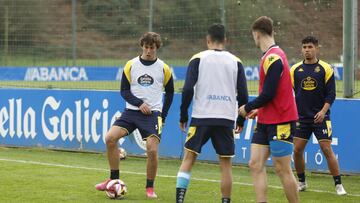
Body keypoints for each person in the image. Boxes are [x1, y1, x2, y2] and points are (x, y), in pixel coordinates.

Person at [95, 32, 174, 199]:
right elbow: (124, 91)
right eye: (146, 47)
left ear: (157, 48)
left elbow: (171, 93)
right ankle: (113, 180)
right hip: (131, 112)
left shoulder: (164, 68)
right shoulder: (130, 65)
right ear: (142, 46)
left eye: (152, 47)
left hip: (153, 115)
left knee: (152, 150)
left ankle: (150, 188)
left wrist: (162, 115)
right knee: (110, 138)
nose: (148, 51)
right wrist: (139, 103)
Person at [176, 23, 248, 203]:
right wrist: (240, 119)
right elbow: (244, 95)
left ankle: (179, 200)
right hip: (225, 119)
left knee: (189, 159)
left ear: (207, 40)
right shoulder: (236, 61)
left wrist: (183, 114)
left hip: (201, 117)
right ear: (225, 40)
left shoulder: (198, 58)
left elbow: (187, 90)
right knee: (225, 165)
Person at [238, 16, 299, 203]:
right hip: (266, 119)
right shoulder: (270, 55)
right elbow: (273, 93)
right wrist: (260, 110)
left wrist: (246, 108)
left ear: (256, 35)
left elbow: (269, 93)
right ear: (272, 32)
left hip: (281, 120)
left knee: (282, 169)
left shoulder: (273, 57)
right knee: (255, 164)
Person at [290, 36, 347, 195]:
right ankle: (302, 182)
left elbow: (331, 94)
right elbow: (290, 93)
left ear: (317, 48)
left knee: (326, 149)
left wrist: (322, 112)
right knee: (297, 150)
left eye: (310, 47)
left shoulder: (326, 68)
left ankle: (338, 184)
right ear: (301, 49)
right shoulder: (294, 70)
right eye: (304, 47)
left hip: (321, 117)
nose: (307, 50)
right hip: (301, 118)